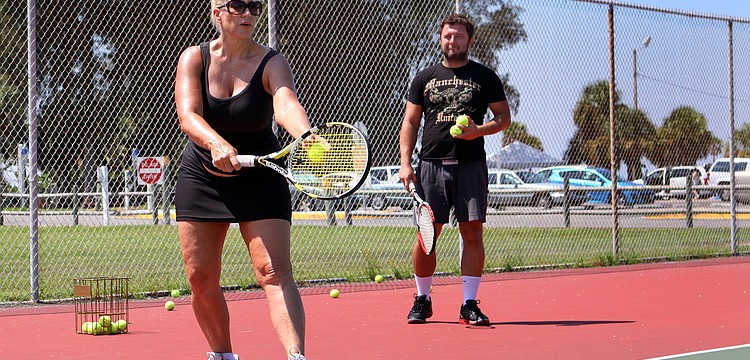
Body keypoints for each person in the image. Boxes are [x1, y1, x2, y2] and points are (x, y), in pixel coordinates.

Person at [174, 1, 308, 359]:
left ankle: (296, 356)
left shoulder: (272, 62)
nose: (247, 12)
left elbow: (285, 104)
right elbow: (188, 115)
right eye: (237, 5)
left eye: (253, 5)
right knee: (200, 278)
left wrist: (306, 136)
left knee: (273, 271)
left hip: (261, 175)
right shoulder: (194, 59)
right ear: (217, 12)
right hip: (202, 175)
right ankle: (223, 355)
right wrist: (216, 142)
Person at [398, 13, 512, 326]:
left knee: (472, 233)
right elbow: (410, 121)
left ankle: (469, 304)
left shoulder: (485, 77)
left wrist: (479, 131)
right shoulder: (424, 77)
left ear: (469, 40)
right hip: (431, 166)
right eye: (448, 36)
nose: (453, 41)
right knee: (426, 235)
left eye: (459, 36)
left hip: (470, 166)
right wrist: (406, 163)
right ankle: (422, 299)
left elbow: (504, 117)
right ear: (441, 39)